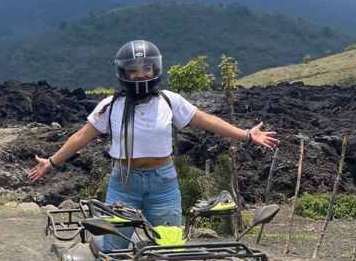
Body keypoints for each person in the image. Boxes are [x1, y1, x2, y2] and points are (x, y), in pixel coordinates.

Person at [28, 39, 277, 250]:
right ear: (124, 74)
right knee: (114, 250)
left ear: (155, 69)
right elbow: (81, 137)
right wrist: (50, 162)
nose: (141, 75)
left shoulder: (170, 101)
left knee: (170, 248)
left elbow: (206, 120)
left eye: (146, 68)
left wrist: (246, 134)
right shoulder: (110, 106)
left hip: (163, 184)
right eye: (134, 70)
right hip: (123, 183)